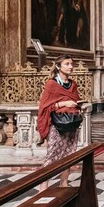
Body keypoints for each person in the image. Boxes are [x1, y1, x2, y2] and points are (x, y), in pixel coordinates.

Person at [37, 56, 82, 191]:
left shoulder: (72, 84)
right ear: (58, 66)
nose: (70, 66)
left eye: (71, 64)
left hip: (71, 122)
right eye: (67, 64)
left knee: (69, 154)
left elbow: (75, 99)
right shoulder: (51, 84)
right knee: (53, 154)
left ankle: (64, 182)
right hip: (57, 125)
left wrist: (77, 105)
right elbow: (45, 106)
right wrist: (64, 103)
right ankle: (43, 186)